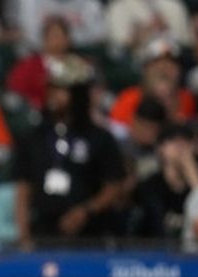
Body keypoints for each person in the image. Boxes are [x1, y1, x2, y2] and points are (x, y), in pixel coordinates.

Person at [14, 55, 124, 244]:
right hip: (43, 233)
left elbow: (114, 186)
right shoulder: (34, 136)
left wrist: (87, 210)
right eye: (51, 88)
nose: (53, 95)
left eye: (61, 88)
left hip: (90, 235)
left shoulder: (99, 137)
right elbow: (23, 188)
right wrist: (24, 235)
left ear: (78, 93)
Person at [109, 36, 196, 139]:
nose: (165, 69)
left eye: (171, 64)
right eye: (158, 63)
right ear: (145, 69)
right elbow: (117, 139)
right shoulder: (129, 99)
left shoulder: (188, 98)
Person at [6, 15, 72, 110]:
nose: (58, 41)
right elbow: (15, 92)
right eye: (54, 36)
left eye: (62, 36)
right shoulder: (28, 66)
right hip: (39, 117)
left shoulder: (78, 65)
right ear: (44, 39)